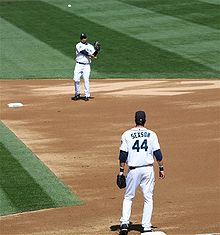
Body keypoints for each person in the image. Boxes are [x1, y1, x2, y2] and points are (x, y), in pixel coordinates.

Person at [118, 111, 165, 235]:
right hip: (148, 170)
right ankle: (146, 226)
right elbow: (158, 154)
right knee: (148, 198)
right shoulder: (151, 134)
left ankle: (124, 223)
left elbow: (123, 155)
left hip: (133, 170)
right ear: (145, 120)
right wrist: (161, 168)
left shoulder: (127, 134)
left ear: (135, 120)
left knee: (128, 197)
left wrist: (121, 172)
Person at [72, 33, 99, 101]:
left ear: (86, 38)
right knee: (76, 79)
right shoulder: (78, 45)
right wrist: (91, 55)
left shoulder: (90, 46)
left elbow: (94, 55)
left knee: (86, 80)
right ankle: (77, 94)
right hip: (79, 65)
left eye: (84, 38)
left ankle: (87, 95)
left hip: (87, 66)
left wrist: (97, 51)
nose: (83, 39)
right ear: (80, 39)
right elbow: (83, 52)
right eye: (82, 38)